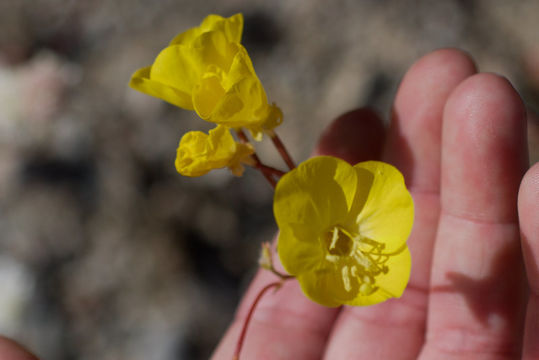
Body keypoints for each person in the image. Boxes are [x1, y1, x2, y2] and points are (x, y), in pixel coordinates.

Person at [2, 48, 538, 359]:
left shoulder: (344, 224)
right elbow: (301, 196)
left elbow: (376, 202)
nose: (338, 242)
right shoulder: (304, 223)